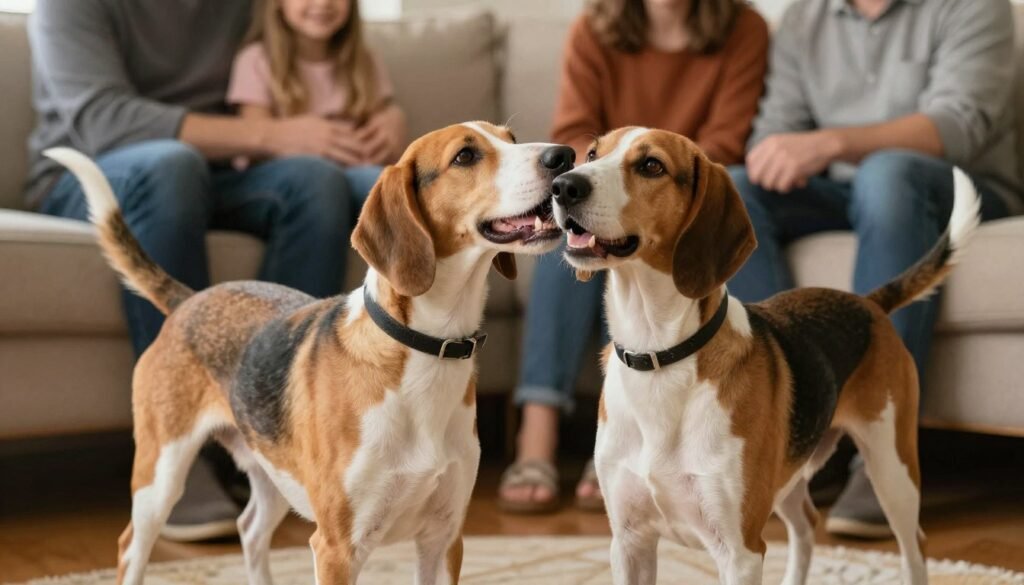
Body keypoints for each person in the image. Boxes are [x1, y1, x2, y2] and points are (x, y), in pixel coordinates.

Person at [26, 0, 401, 542]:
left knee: (315, 181)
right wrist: (276, 135)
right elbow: (101, 119)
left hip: (220, 172)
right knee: (170, 165)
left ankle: (280, 429)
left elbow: (313, 48)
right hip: (98, 172)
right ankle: (184, 444)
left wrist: (386, 114)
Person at [727, 0, 1021, 539]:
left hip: (955, 185)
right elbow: (773, 132)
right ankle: (792, 428)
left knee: (887, 176)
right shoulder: (804, 18)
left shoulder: (975, 6)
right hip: (840, 189)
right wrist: (776, 153)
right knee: (740, 187)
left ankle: (875, 451)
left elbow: (959, 126)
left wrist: (833, 142)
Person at [498, 0, 769, 514]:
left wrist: (647, 185)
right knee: (570, 232)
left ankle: (630, 451)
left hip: (675, 185)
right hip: (605, 178)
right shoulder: (593, 29)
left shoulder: (743, 28)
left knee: (620, 240)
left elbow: (724, 142)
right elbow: (577, 133)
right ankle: (541, 436)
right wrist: (613, 181)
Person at [227, 0, 403, 197]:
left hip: (358, 172)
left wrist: (387, 132)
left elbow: (383, 133)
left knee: (381, 182)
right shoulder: (255, 60)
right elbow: (257, 142)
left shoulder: (364, 60)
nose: (323, 2)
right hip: (297, 179)